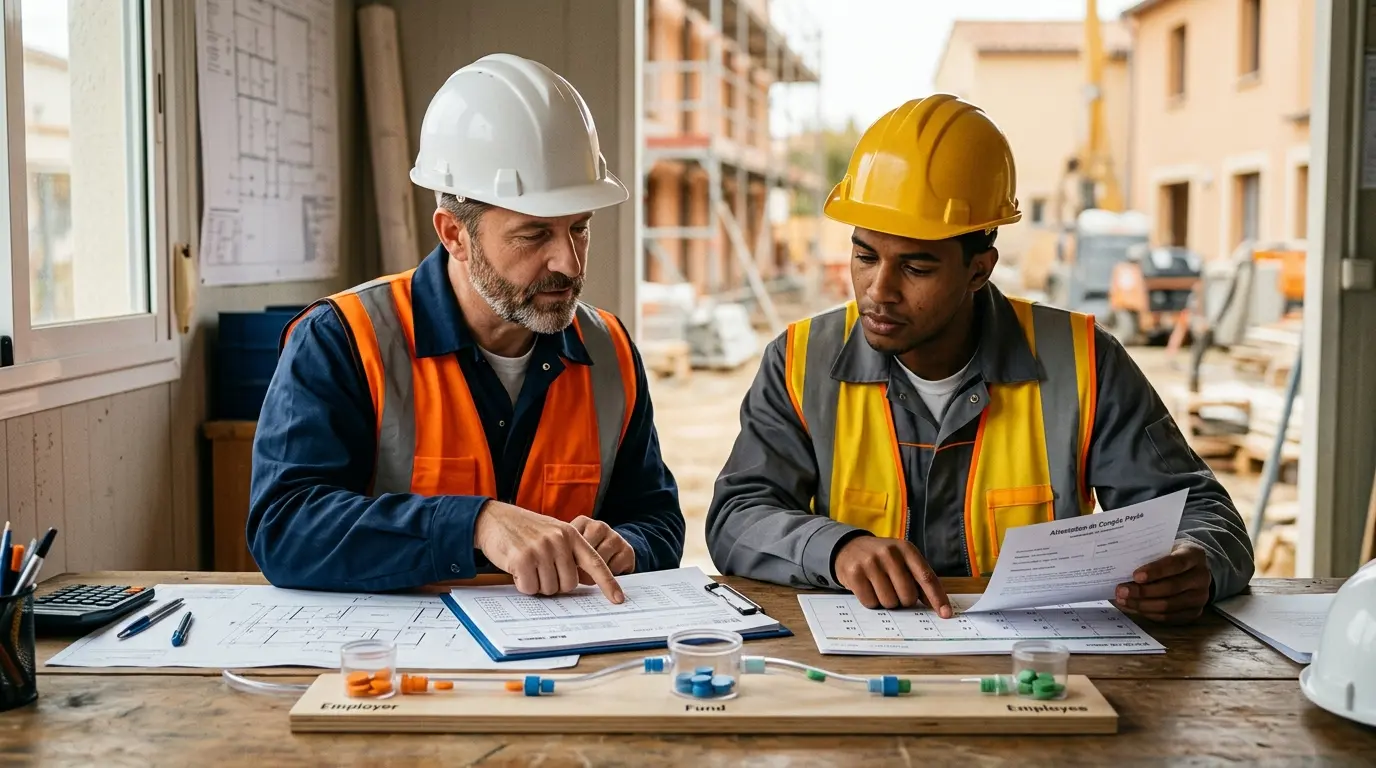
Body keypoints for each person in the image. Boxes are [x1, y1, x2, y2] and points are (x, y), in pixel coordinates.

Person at [705, 94, 1254, 624]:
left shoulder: (1085, 362)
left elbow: (1202, 514)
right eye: (864, 255)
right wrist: (837, 548)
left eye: (916, 268)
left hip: (1038, 677)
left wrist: (1196, 563)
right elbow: (737, 515)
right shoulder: (800, 362)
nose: (879, 290)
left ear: (979, 269)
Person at [248, 54, 684, 601]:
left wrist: (629, 544)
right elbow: (284, 528)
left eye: (579, 229)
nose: (569, 263)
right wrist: (477, 524)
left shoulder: (611, 351)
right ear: (454, 233)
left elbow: (658, 517)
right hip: (398, 664)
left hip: (568, 662)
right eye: (533, 236)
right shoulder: (343, 339)